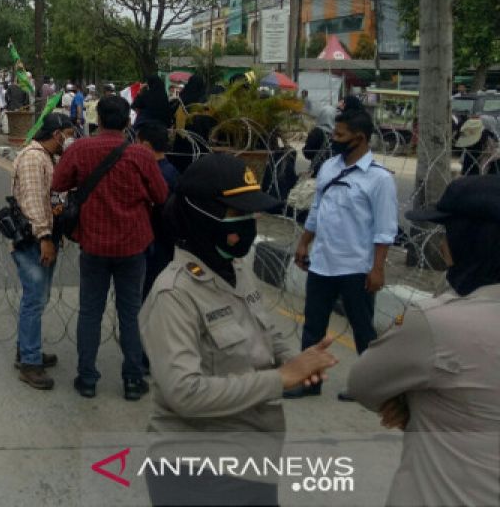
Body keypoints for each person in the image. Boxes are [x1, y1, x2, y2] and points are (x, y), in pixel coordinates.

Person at [140, 153, 339, 507]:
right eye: (237, 214)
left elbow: (265, 329)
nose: (249, 223)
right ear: (202, 216)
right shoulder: (174, 295)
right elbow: (183, 393)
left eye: (253, 213)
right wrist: (281, 378)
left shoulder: (235, 269)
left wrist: (298, 359)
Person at [346, 175, 500, 507]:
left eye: (447, 233)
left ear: (470, 240)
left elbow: (363, 383)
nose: (442, 244)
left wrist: (412, 402)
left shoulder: (435, 323)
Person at [52, 96, 169, 401]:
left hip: (93, 244)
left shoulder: (80, 149)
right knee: (130, 313)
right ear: (128, 122)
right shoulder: (141, 156)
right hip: (133, 245)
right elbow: (161, 194)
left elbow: (59, 182)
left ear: (99, 119)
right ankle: (132, 380)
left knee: (90, 311)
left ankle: (87, 378)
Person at [287, 109, 397, 400]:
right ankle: (310, 382)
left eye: (339, 135)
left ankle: (368, 388)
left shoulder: (379, 180)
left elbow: (385, 231)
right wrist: (304, 242)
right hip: (322, 263)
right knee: (313, 328)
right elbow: (317, 209)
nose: (333, 140)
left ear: (359, 138)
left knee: (363, 331)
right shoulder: (330, 168)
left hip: (356, 266)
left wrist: (377, 269)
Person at [9, 113, 74, 390]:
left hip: (43, 237)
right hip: (35, 240)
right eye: (68, 134)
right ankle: (30, 363)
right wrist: (45, 237)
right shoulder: (35, 158)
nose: (70, 140)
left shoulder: (47, 157)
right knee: (35, 299)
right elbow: (34, 203)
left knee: (38, 297)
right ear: (56, 133)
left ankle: (26, 349)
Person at [137, 121, 180, 302]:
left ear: (146, 146)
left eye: (137, 143)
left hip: (154, 244)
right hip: (164, 243)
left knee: (147, 295)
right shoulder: (172, 171)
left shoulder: (155, 173)